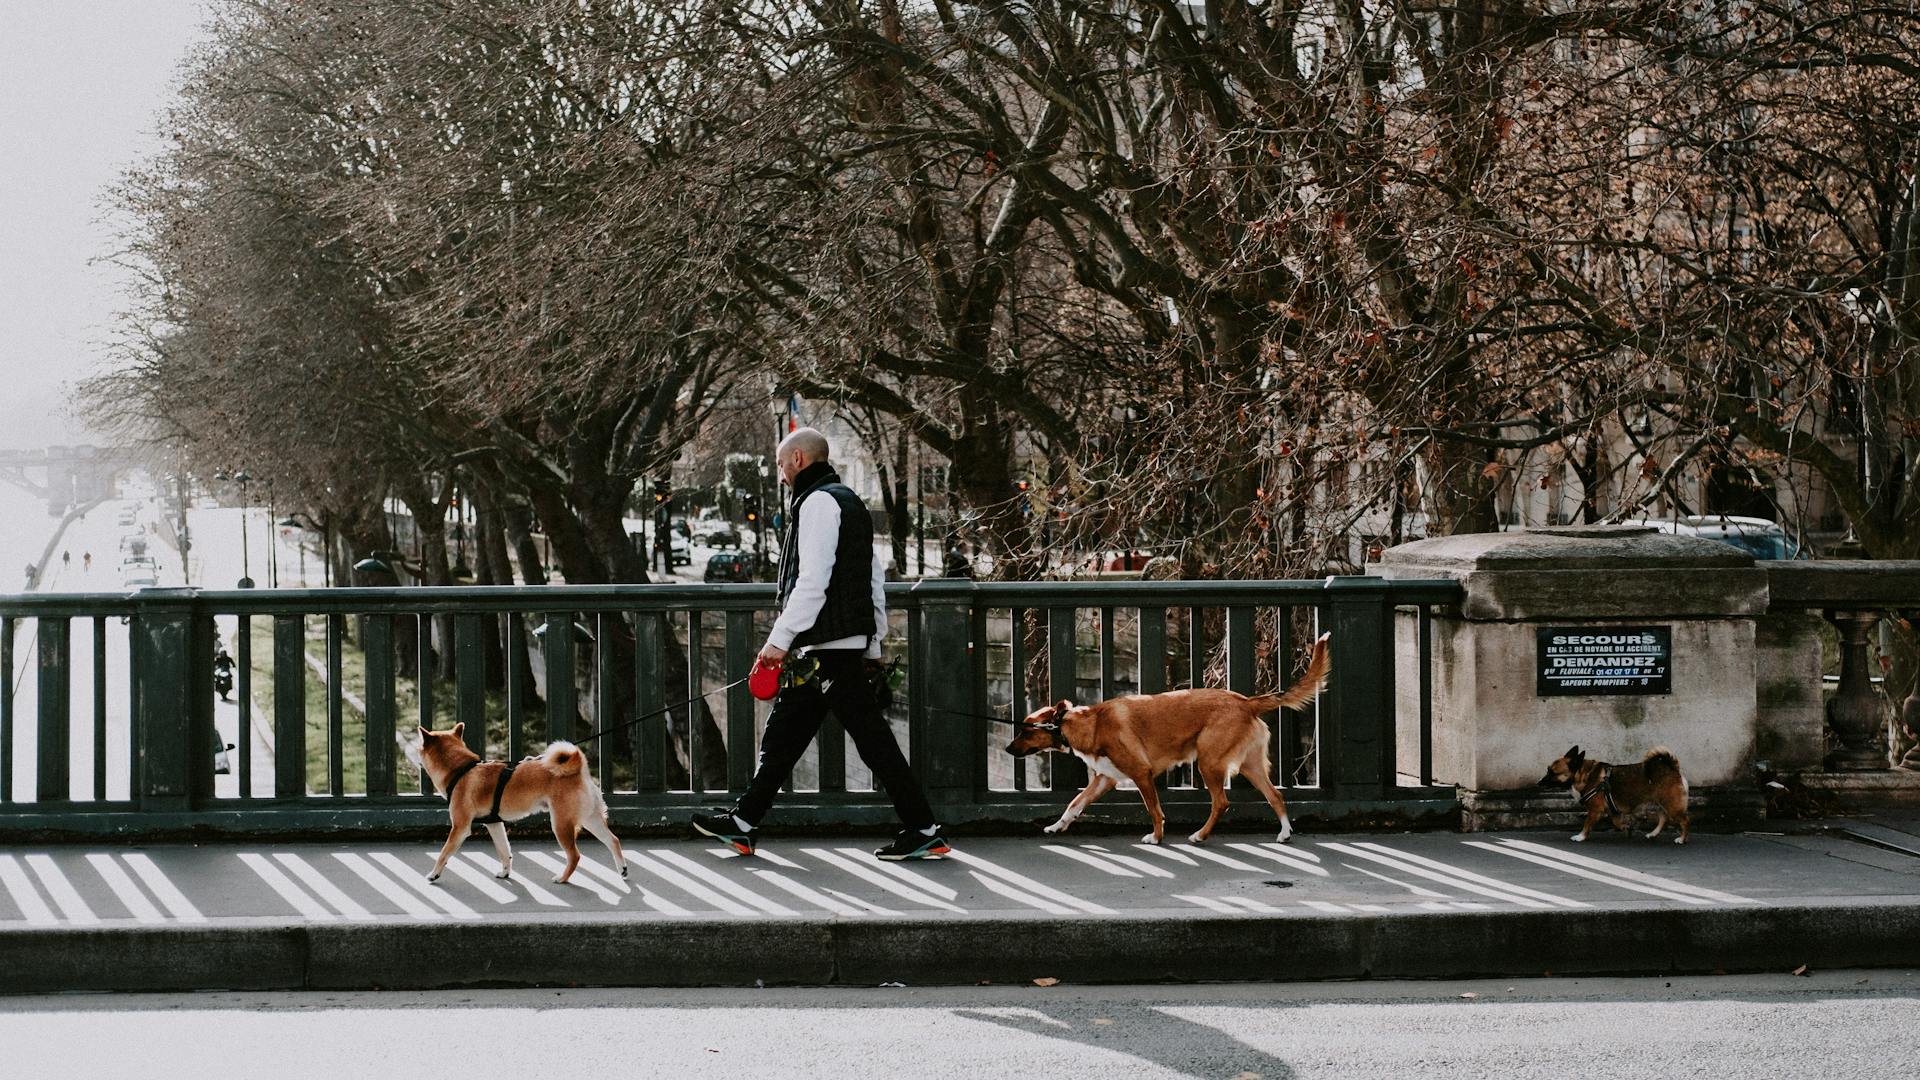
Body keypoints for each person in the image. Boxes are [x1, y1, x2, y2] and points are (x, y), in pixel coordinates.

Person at [691, 427, 949, 861]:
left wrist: (777, 642)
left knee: (869, 742)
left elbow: (811, 582)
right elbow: (873, 580)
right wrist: (872, 643)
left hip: (825, 646)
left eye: (779, 466)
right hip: (838, 645)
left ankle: (924, 828)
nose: (779, 477)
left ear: (796, 459)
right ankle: (744, 822)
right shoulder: (850, 503)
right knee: (787, 734)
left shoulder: (816, 503)